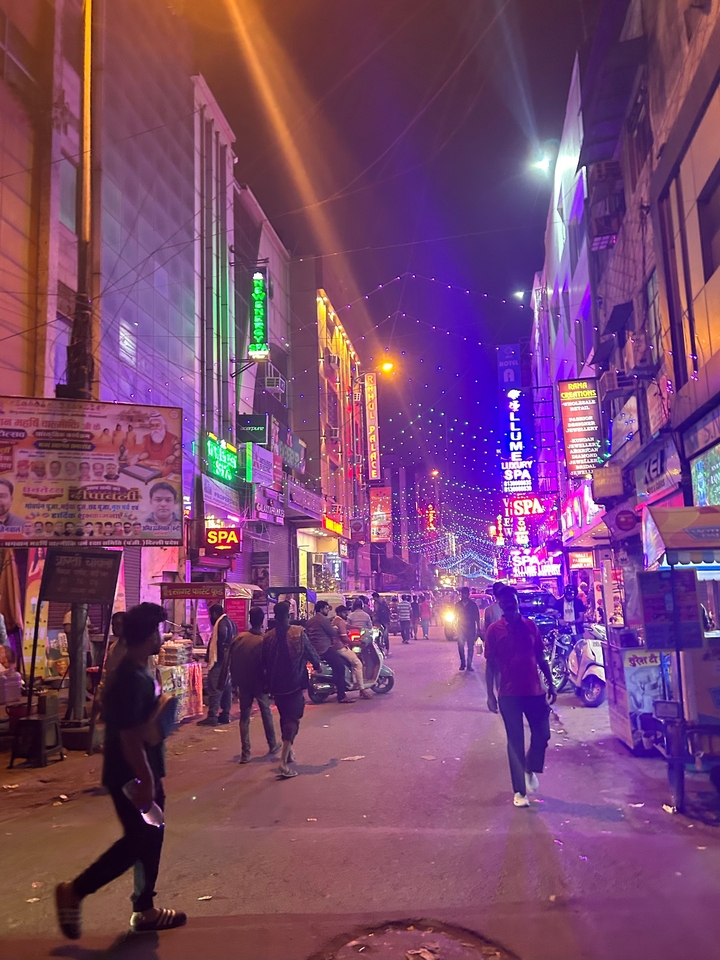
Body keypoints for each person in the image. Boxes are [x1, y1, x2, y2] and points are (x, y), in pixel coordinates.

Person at [55, 603, 186, 939]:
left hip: (143, 771)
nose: (161, 636)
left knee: (150, 838)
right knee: (137, 841)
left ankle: (144, 909)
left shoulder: (139, 669)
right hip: (131, 775)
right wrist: (144, 778)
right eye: (158, 630)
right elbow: (128, 735)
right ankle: (76, 891)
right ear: (149, 634)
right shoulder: (129, 675)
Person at [485, 585, 556, 808]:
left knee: (543, 734)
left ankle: (529, 767)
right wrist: (490, 695)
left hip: (534, 690)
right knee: (515, 741)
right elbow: (490, 665)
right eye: (504, 601)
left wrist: (551, 682)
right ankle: (519, 791)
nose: (509, 604)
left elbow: (541, 657)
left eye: (512, 600)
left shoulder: (530, 626)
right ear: (500, 605)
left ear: (517, 601)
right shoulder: (494, 630)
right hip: (509, 693)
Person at [262, 601, 322, 778]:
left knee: (284, 717)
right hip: (294, 684)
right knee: (293, 720)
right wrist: (318, 665)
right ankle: (282, 763)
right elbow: (311, 653)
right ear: (288, 615)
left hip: (276, 686)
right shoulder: (298, 632)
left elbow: (263, 661)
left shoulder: (268, 636)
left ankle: (288, 752)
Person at [218, 606, 279, 763]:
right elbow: (270, 664)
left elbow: (227, 661)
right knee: (266, 712)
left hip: (242, 683)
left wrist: (223, 682)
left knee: (244, 717)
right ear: (262, 620)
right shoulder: (264, 640)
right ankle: (272, 744)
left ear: (250, 620)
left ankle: (246, 753)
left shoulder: (239, 638)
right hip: (259, 683)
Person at [306, 600, 354, 703]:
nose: (328, 610)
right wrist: (336, 629)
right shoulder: (322, 619)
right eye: (327, 608)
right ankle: (341, 695)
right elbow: (332, 633)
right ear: (322, 609)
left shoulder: (311, 620)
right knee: (340, 667)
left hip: (314, 649)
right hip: (324, 649)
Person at [197, 603, 236, 726]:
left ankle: (212, 716)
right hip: (227, 662)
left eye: (210, 615)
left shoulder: (222, 624)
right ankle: (225, 714)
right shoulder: (231, 622)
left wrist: (219, 651)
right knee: (226, 688)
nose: (210, 618)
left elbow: (223, 637)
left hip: (219, 662)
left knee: (215, 688)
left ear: (214, 614)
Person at [333, 605, 372, 699]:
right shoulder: (340, 621)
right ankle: (362, 689)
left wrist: (357, 628)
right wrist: (356, 642)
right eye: (345, 612)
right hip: (340, 647)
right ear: (340, 613)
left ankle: (354, 680)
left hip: (335, 647)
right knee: (358, 663)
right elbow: (344, 638)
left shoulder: (335, 620)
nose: (347, 614)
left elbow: (347, 626)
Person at [454, 587, 480, 671]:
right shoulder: (458, 605)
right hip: (460, 627)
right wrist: (454, 627)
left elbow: (477, 617)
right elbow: (455, 616)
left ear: (468, 594)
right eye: (462, 593)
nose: (464, 595)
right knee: (460, 645)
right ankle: (463, 663)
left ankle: (469, 664)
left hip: (471, 627)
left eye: (465, 593)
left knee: (470, 646)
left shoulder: (473, 605)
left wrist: (478, 629)